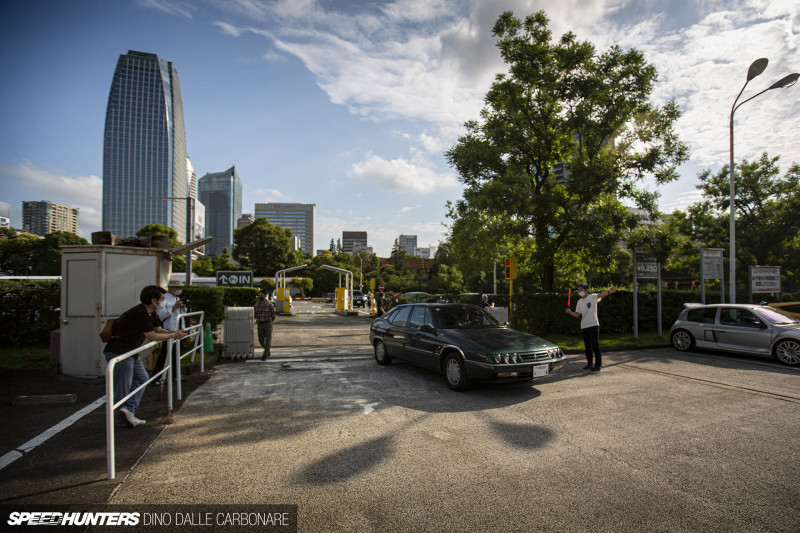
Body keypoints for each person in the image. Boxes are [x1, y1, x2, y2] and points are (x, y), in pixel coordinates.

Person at [104, 285, 187, 427]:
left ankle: (128, 410)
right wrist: (174, 335)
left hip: (131, 352)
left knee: (143, 378)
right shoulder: (140, 313)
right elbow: (151, 336)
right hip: (120, 352)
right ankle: (120, 420)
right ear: (153, 300)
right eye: (162, 299)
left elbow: (158, 329)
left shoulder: (151, 313)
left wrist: (176, 332)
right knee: (122, 388)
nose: (164, 302)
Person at [566, 282, 617, 372]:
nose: (580, 291)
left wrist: (609, 292)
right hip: (584, 326)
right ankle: (589, 364)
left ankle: (598, 365)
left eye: (581, 290)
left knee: (595, 345)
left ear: (586, 290)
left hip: (593, 325)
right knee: (587, 347)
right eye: (578, 290)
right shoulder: (579, 302)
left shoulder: (592, 297)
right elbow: (577, 314)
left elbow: (601, 294)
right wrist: (570, 312)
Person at [154, 279, 187, 384]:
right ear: (172, 288)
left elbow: (182, 314)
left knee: (177, 354)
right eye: (179, 288)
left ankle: (175, 375)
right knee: (166, 353)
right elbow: (162, 316)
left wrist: (183, 307)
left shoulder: (176, 298)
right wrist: (175, 307)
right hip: (169, 329)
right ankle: (158, 377)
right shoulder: (164, 299)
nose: (180, 290)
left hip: (179, 328)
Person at [254, 291, 276, 360]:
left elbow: (273, 315)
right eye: (259, 295)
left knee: (268, 339)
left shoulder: (269, 305)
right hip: (260, 323)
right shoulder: (256, 305)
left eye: (261, 295)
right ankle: (267, 349)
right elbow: (255, 315)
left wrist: (270, 322)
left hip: (268, 323)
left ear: (265, 296)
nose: (260, 297)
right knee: (260, 339)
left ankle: (265, 354)